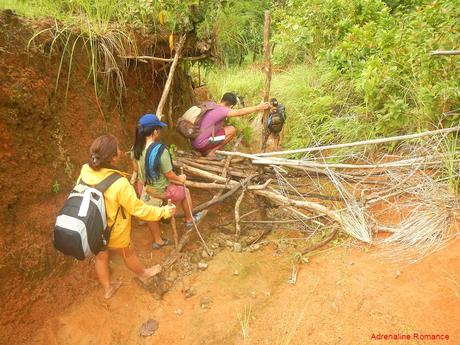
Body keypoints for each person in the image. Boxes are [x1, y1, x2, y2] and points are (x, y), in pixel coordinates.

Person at [78, 134, 176, 299]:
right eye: (117, 149)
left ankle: (108, 288)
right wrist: (164, 211)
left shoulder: (85, 170)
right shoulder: (120, 183)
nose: (121, 151)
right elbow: (139, 210)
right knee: (128, 253)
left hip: (93, 227)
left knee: (101, 257)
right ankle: (143, 273)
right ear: (113, 158)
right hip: (113, 231)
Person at [132, 114, 202, 249]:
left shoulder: (135, 147)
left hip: (144, 189)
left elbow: (135, 168)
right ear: (154, 132)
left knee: (150, 212)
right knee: (185, 192)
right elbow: (169, 174)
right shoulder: (160, 151)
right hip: (161, 192)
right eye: (158, 129)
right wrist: (180, 179)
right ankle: (189, 220)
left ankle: (158, 241)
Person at [191, 92, 270, 160]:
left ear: (222, 99)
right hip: (200, 144)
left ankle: (206, 150)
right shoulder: (223, 110)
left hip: (193, 142)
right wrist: (258, 107)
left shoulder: (211, 105)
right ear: (231, 106)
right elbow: (240, 112)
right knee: (231, 130)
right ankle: (211, 153)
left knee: (222, 128)